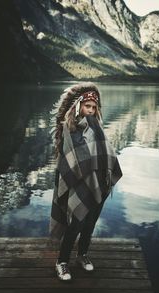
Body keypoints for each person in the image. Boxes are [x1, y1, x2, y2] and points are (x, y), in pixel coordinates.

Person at [49, 82, 122, 281]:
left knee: (90, 223)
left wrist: (107, 172)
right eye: (87, 106)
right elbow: (71, 158)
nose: (90, 110)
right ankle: (62, 262)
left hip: (100, 182)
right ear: (79, 105)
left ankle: (82, 255)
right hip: (78, 183)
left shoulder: (96, 125)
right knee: (76, 223)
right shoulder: (69, 126)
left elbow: (105, 151)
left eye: (93, 107)